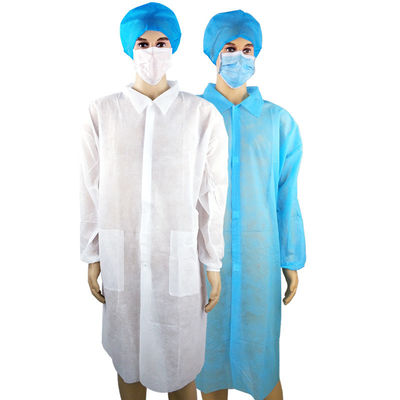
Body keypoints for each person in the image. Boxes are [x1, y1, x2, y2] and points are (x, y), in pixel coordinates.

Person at [79, 3, 229, 399]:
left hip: (176, 261)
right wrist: (93, 253)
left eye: (161, 42)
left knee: (180, 366)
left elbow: (213, 196)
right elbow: (90, 189)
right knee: (128, 361)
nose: (152, 51)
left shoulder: (201, 116)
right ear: (129, 48)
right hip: (122, 258)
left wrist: (212, 260)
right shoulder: (102, 113)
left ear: (173, 46)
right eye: (142, 43)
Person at [194, 10, 306, 400]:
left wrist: (290, 258)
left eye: (247, 49)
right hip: (202, 262)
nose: (239, 57)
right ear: (214, 53)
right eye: (230, 48)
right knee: (208, 368)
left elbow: (286, 195)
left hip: (260, 262)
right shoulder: (192, 115)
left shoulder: (278, 122)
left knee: (264, 368)